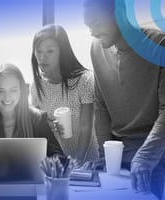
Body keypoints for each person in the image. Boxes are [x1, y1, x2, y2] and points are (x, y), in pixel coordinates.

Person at [83, 0, 165, 199]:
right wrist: (104, 155)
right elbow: (100, 105)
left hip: (152, 157)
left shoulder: (159, 45)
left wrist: (144, 158)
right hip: (116, 156)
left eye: (95, 22)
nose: (91, 31)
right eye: (88, 25)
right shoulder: (97, 48)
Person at [0, 63, 63, 161]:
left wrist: (41, 165)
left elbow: (59, 157)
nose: (7, 98)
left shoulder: (38, 118)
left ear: (21, 91)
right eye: (0, 91)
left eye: (13, 90)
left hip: (27, 179)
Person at [30, 24, 98, 165]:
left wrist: (77, 161)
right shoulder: (36, 86)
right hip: (57, 162)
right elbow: (38, 123)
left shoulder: (85, 80)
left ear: (63, 51)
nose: (42, 58)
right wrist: (50, 124)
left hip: (87, 160)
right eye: (39, 51)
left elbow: (86, 126)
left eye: (50, 51)